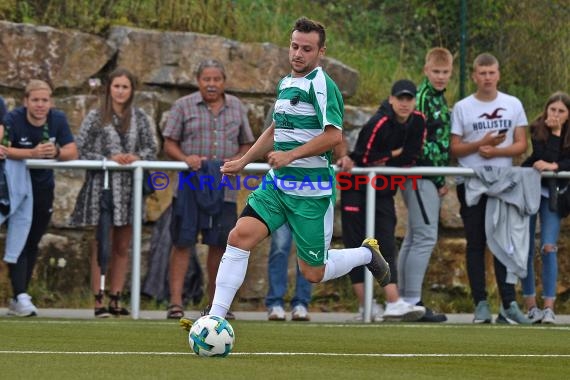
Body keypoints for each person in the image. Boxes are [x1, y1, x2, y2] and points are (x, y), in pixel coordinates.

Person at [208, 17, 390, 321]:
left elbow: (334, 136)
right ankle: (214, 317)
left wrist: (290, 156)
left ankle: (366, 254)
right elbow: (276, 128)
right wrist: (244, 161)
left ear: (320, 52)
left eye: (306, 49)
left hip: (311, 193)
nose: (298, 54)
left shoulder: (322, 84)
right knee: (239, 236)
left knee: (313, 273)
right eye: (294, 46)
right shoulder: (287, 82)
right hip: (278, 186)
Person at [162, 58, 255, 320]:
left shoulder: (236, 106)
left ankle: (217, 306)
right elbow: (169, 142)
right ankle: (175, 303)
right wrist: (184, 158)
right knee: (182, 241)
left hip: (224, 186)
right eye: (207, 79)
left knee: (220, 245)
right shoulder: (183, 106)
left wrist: (236, 160)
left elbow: (247, 143)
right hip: (191, 183)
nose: (212, 84)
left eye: (216, 79)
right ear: (198, 81)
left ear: (224, 82)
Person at [450, 52, 531, 324]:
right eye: (482, 73)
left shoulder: (513, 104)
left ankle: (508, 304)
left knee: (503, 243)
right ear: (474, 76)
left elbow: (521, 144)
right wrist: (479, 145)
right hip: (471, 183)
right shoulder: (463, 107)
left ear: (498, 74)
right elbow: (455, 147)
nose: (487, 78)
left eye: (492, 73)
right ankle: (480, 304)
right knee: (476, 243)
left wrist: (498, 150)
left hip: (503, 184)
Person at [71, 68, 158, 318]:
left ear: (132, 91)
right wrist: (106, 158)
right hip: (103, 188)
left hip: (131, 189)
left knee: (122, 245)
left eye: (125, 87)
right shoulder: (96, 116)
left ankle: (116, 297)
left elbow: (152, 147)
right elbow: (80, 149)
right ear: (109, 88)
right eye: (116, 86)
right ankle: (98, 299)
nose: (120, 91)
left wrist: (136, 157)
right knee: (102, 243)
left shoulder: (140, 117)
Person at [340, 79, 427, 322]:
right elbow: (365, 158)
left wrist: (390, 158)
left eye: (409, 99)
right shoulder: (378, 122)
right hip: (356, 188)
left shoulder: (418, 121)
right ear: (391, 99)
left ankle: (393, 302)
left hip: (383, 190)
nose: (404, 103)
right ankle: (365, 305)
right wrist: (393, 155)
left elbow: (411, 157)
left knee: (386, 241)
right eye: (400, 98)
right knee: (356, 245)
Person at [3, 79, 78, 316]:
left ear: (51, 102)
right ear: (26, 101)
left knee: (32, 240)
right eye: (35, 100)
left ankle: (20, 295)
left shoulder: (57, 119)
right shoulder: (14, 118)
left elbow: (72, 151)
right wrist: (31, 154)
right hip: (13, 188)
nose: (40, 105)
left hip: (43, 188)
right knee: (18, 238)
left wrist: (55, 152)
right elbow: (3, 147)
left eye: (44, 100)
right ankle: (19, 294)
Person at [397, 47, 453, 322]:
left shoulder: (439, 98)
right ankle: (411, 301)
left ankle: (405, 301)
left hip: (429, 175)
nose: (441, 77)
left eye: (445, 72)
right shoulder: (421, 97)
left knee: (414, 236)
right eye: (436, 71)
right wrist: (439, 176)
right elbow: (417, 141)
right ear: (426, 70)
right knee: (425, 237)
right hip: (420, 174)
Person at [520, 92, 570, 324]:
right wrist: (554, 137)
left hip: (555, 196)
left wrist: (556, 165)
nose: (556, 115)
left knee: (549, 247)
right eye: (553, 110)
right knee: (527, 249)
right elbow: (541, 158)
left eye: (561, 111)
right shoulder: (537, 129)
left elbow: (558, 162)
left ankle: (549, 307)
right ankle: (531, 306)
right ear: (546, 110)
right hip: (531, 192)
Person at [265, 224, 312, 321]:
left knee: (306, 251)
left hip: (308, 209)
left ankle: (301, 304)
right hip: (282, 209)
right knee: (279, 249)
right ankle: (275, 303)